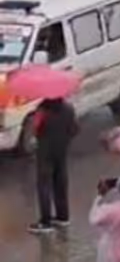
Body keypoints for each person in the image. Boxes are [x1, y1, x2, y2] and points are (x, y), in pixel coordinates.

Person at [29, 97, 77, 233]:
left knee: (44, 185)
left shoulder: (42, 110)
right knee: (61, 181)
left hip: (45, 151)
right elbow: (74, 129)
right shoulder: (69, 108)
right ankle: (63, 217)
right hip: (61, 150)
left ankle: (45, 222)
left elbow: (35, 128)